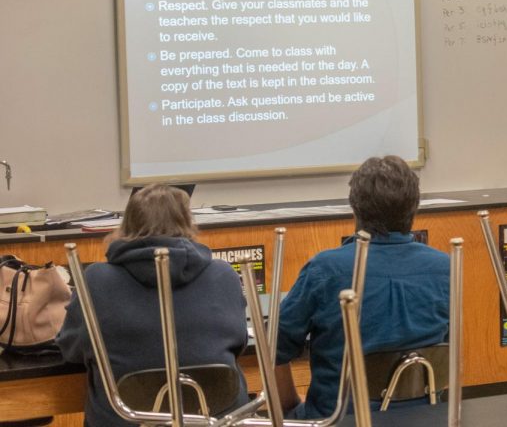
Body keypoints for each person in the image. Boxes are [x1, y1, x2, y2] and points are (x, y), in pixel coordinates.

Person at [57, 184, 249, 427]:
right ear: (187, 221)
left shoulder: (96, 280)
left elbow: (71, 350)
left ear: (127, 222)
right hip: (218, 419)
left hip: (125, 420)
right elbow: (239, 342)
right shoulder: (223, 274)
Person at [275, 155, 450, 419]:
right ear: (414, 207)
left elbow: (273, 349)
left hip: (337, 418)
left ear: (355, 207)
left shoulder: (326, 269)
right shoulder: (444, 267)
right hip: (426, 416)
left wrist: (288, 409)